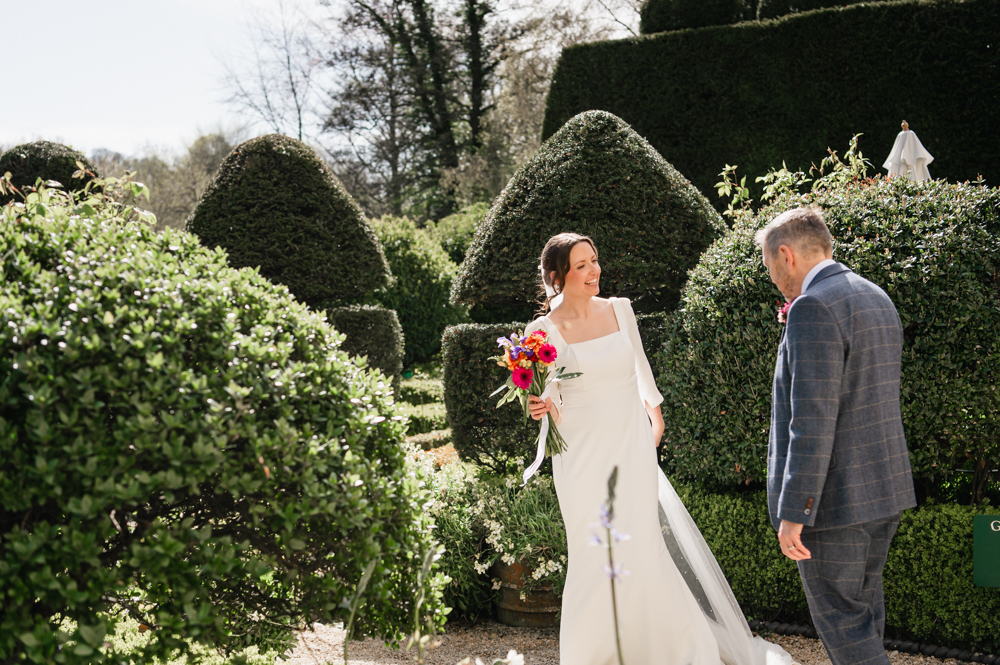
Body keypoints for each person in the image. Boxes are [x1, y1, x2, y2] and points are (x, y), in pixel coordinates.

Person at [525, 233, 792, 665]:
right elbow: (549, 396)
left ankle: (667, 646)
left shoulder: (619, 309)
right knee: (592, 550)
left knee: (642, 543)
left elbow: (639, 365)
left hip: (630, 443)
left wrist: (656, 414)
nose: (594, 271)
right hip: (579, 455)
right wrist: (539, 406)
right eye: (581, 266)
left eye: (595, 261)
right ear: (557, 277)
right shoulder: (540, 332)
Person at [757, 207, 916, 665]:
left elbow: (812, 420)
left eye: (770, 267)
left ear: (786, 255)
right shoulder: (875, 295)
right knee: (864, 618)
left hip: (834, 504)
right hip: (883, 493)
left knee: (845, 626)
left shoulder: (812, 307)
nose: (773, 279)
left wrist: (795, 510)